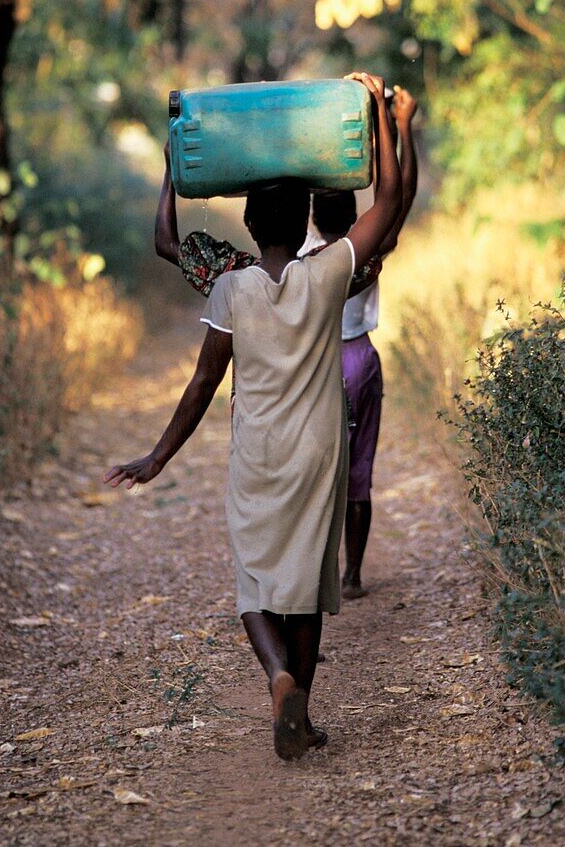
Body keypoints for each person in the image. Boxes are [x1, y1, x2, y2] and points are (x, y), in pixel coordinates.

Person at [104, 71, 402, 760]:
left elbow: (203, 383)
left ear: (247, 224)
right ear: (303, 224)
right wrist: (386, 117)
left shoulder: (232, 289)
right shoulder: (326, 273)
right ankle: (301, 712)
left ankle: (279, 679)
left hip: (258, 452)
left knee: (254, 583)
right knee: (307, 580)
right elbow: (387, 201)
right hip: (319, 449)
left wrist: (157, 456)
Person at [304, 88, 418, 600]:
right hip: (361, 358)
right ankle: (352, 575)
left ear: (309, 215)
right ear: (354, 215)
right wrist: (399, 126)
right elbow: (399, 199)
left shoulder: (299, 256)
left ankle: (315, 572)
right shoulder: (361, 251)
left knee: (317, 469)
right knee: (360, 469)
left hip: (318, 362)